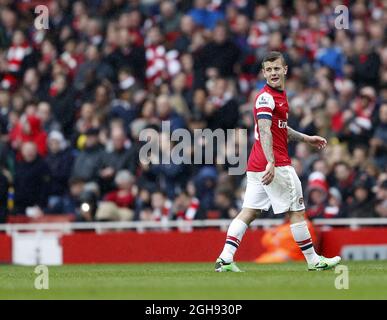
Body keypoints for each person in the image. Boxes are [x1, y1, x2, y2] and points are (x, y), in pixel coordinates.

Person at [215, 51, 341, 272]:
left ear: (285, 70)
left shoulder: (278, 96)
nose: (273, 73)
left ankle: (225, 257)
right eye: (269, 69)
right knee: (297, 212)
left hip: (256, 163)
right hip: (275, 163)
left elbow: (280, 128)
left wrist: (305, 138)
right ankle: (314, 261)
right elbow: (264, 131)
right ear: (264, 73)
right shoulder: (266, 97)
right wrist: (271, 162)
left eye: (276, 68)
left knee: (250, 211)